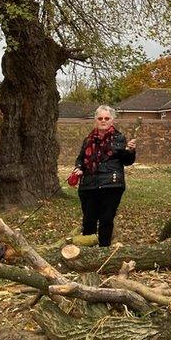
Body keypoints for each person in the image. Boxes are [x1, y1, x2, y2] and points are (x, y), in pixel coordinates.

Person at [72, 105, 137, 247]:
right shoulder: (88, 139)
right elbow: (80, 159)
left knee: (106, 220)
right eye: (100, 118)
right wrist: (78, 168)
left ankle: (104, 252)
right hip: (89, 186)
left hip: (111, 185)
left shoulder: (119, 138)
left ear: (112, 120)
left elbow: (127, 161)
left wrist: (130, 151)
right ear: (95, 120)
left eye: (106, 118)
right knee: (88, 221)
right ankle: (88, 253)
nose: (103, 121)